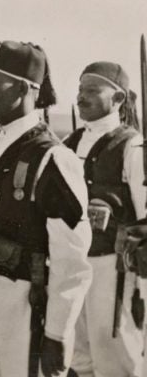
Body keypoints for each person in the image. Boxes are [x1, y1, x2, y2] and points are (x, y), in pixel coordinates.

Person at [0, 41, 92, 377]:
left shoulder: (53, 157)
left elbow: (71, 260)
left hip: (22, 300)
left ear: (26, 87)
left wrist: (57, 333)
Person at [64, 62, 144, 377]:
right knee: (78, 353)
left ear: (119, 99)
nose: (81, 97)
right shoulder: (69, 143)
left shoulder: (131, 146)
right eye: (80, 90)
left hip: (111, 267)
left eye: (92, 91)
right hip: (72, 263)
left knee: (115, 357)